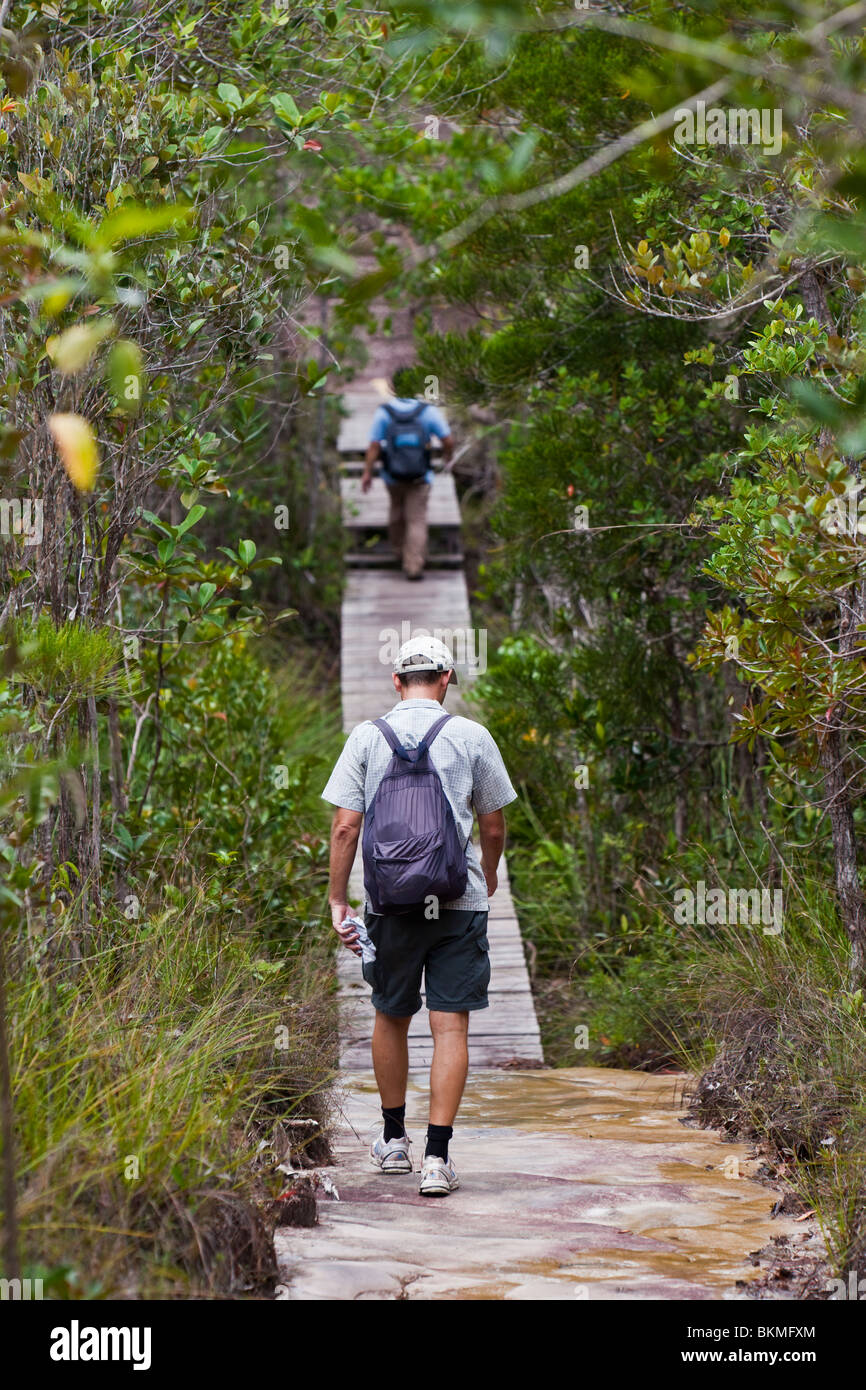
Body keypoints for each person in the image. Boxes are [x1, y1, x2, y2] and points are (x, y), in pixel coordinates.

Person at [321, 635, 517, 1196]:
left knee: (390, 1013)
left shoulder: (366, 737)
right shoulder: (472, 736)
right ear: (447, 679)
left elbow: (344, 827)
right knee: (450, 1024)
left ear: (397, 682)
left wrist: (339, 900)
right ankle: (437, 1158)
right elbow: (495, 825)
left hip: (388, 902)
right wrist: (491, 872)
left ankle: (393, 1144)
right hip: (458, 900)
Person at [361, 368, 454, 582]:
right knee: (417, 519)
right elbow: (448, 440)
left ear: (392, 387)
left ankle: (397, 552)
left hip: (392, 476)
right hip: (420, 476)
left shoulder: (385, 413)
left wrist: (367, 473)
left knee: (396, 512)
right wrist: (447, 457)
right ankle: (413, 566)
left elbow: (374, 446)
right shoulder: (428, 412)